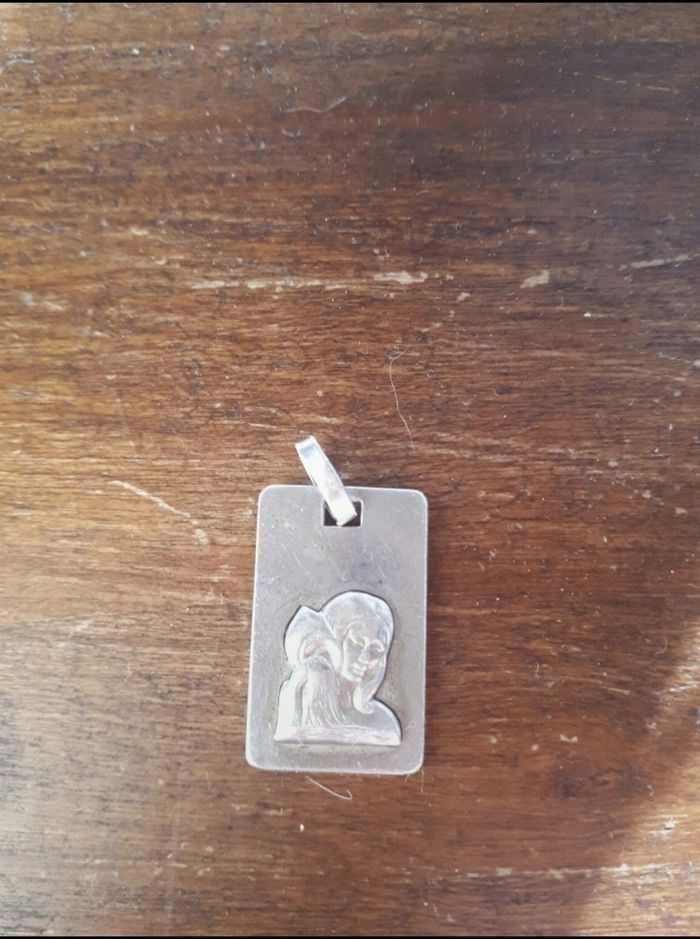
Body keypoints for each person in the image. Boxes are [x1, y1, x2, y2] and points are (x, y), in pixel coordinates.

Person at [274, 591, 401, 747]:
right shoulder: (296, 702)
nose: (365, 659)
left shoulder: (383, 722)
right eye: (357, 643)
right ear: (334, 641)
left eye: (375, 650)